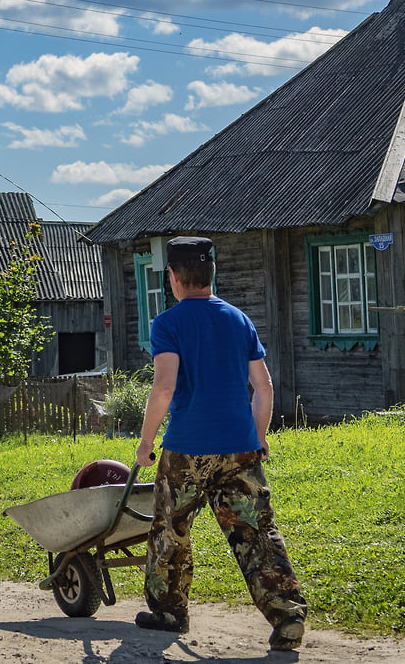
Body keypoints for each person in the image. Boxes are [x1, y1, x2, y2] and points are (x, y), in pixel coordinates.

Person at [133, 236, 307, 651]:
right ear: (212, 273)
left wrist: (145, 444)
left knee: (170, 530)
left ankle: (170, 611)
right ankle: (287, 616)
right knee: (257, 532)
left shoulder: (168, 324)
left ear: (173, 277)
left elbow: (163, 388)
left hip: (187, 449)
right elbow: (263, 387)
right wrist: (259, 437)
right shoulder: (238, 320)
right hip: (239, 447)